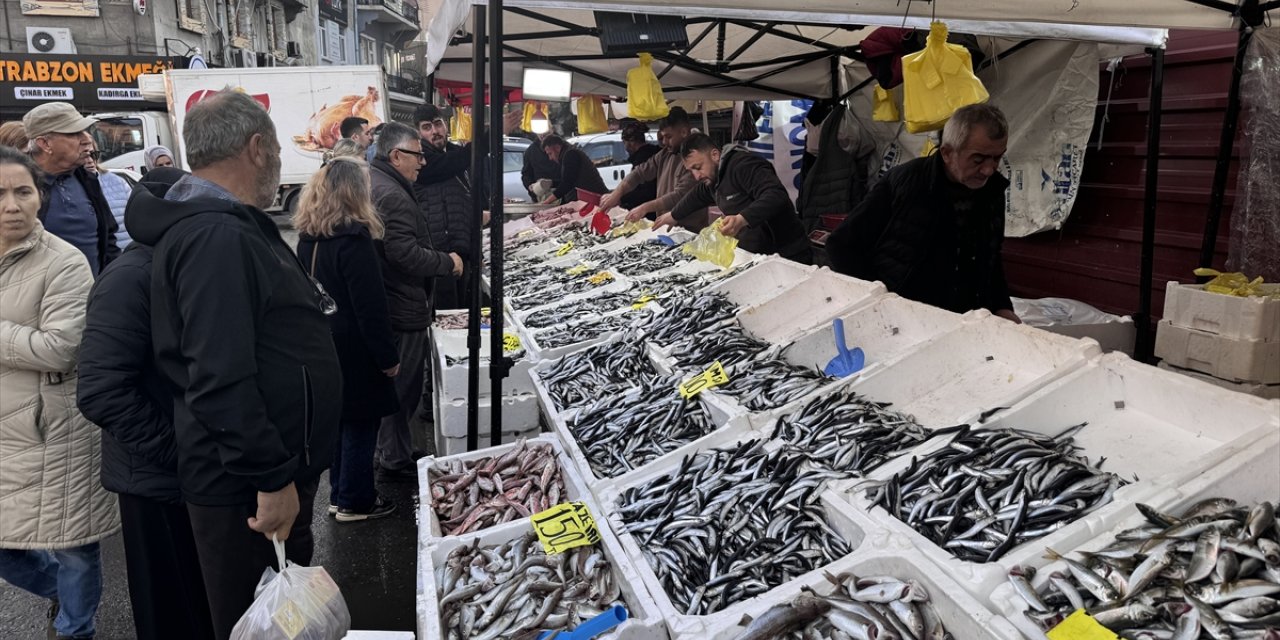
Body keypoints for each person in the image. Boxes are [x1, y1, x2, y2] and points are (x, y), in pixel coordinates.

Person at [123, 90, 342, 640]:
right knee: (259, 623)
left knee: (284, 621)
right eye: (274, 150)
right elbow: (220, 374)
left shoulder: (223, 224)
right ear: (257, 148)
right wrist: (270, 478)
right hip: (245, 487)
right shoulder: (215, 234)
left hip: (257, 474)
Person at [76, 166, 214, 640]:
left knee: (201, 604)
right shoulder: (130, 278)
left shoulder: (178, 264)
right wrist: (179, 450)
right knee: (170, 612)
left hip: (189, 472)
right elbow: (101, 390)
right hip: (156, 480)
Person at [0, 145, 121, 640]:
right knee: (8, 547)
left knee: (73, 540)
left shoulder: (64, 262)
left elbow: (59, 348)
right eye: (0, 194)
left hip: (52, 428)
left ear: (39, 198)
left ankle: (76, 628)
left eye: (23, 192)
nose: (11, 205)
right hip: (5, 431)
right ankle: (61, 592)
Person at [826, 104, 1021, 321]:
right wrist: (880, 300)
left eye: (997, 158)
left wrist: (1003, 306)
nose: (989, 169)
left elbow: (991, 258)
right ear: (947, 153)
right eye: (978, 159)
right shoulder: (905, 183)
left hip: (966, 323)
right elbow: (841, 245)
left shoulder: (992, 190)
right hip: (904, 322)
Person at [294, 158, 401, 522]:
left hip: (325, 345)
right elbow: (371, 309)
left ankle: (340, 493)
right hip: (356, 349)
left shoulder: (309, 240)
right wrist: (388, 357)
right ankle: (357, 500)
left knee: (340, 423)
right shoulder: (354, 242)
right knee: (361, 423)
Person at [369, 122, 461, 479]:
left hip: (393, 300)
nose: (422, 163)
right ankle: (394, 457)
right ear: (396, 155)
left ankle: (394, 448)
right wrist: (446, 262)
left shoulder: (380, 181)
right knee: (401, 387)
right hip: (401, 303)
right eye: (417, 155)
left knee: (397, 386)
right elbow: (403, 253)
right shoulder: (391, 193)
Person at [413, 104, 519, 311]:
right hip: (441, 253)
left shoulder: (453, 152)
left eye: (437, 124)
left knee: (467, 308)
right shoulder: (423, 160)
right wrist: (494, 133)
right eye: (427, 127)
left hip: (464, 247)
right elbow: (455, 162)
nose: (434, 131)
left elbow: (462, 192)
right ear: (418, 133)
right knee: (448, 311)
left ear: (446, 125)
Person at [659, 133, 813, 263]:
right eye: (691, 170)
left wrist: (742, 219)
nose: (696, 176)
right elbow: (697, 196)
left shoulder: (744, 165)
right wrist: (674, 215)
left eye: (698, 168)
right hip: (758, 255)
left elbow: (775, 195)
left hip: (788, 253)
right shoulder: (714, 179)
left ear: (715, 155)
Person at [23, 102, 120, 276]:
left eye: (85, 132)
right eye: (74, 133)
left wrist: (112, 282)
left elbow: (109, 238)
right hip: (43, 301)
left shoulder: (87, 179)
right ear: (45, 143)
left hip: (94, 296)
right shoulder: (15, 186)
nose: (87, 139)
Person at [602, 108, 702, 222]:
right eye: (662, 137)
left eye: (668, 137)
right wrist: (616, 193)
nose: (664, 142)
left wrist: (645, 208)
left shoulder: (696, 157)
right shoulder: (665, 154)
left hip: (689, 229)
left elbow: (679, 195)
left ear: (684, 132)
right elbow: (639, 173)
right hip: (665, 226)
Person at [82, 142, 134, 249]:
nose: (90, 160)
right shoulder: (70, 189)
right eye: (83, 156)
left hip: (127, 254)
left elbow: (137, 218)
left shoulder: (119, 182)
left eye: (93, 155)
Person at [541, 135, 607, 204]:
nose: (550, 158)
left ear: (557, 147)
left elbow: (567, 183)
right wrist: (549, 183)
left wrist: (547, 202)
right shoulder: (568, 153)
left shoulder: (571, 155)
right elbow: (568, 180)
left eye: (550, 154)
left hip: (594, 198)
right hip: (589, 199)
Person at [615, 122, 659, 211]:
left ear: (631, 142)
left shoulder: (642, 159)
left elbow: (645, 192)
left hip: (650, 211)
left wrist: (621, 198)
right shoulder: (654, 153)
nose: (625, 146)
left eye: (624, 142)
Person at [520, 130, 559, 201]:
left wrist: (551, 183)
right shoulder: (531, 151)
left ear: (551, 130)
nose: (542, 135)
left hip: (562, 194)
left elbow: (568, 178)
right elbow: (526, 174)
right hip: (540, 196)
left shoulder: (562, 147)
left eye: (545, 132)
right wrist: (530, 186)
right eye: (539, 132)